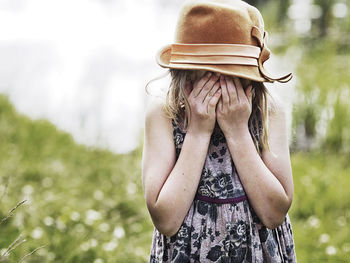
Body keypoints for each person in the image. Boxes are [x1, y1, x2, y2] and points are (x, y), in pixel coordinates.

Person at [142, 0, 297, 262]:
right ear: (185, 73)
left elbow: (274, 213)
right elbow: (166, 220)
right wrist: (198, 132)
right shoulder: (164, 113)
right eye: (211, 75)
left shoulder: (268, 111)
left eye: (232, 74)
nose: (221, 86)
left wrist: (237, 132)